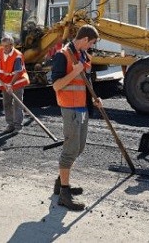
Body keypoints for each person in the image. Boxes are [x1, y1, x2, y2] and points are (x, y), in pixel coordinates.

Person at [51, 25, 101, 211]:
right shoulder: (62, 55)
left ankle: (60, 182)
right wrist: (74, 71)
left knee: (79, 147)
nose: (91, 47)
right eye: (92, 43)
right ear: (85, 39)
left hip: (82, 108)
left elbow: (85, 83)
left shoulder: (83, 56)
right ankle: (64, 194)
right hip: (70, 108)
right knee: (70, 150)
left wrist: (95, 98)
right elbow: (56, 86)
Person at [0, 34, 30, 133]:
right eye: (3, 45)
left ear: (11, 45)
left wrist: (11, 84)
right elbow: (1, 60)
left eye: (6, 46)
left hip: (17, 81)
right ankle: (10, 125)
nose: (4, 48)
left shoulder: (17, 56)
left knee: (17, 104)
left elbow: (18, 73)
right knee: (7, 103)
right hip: (5, 81)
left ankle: (18, 126)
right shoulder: (2, 51)